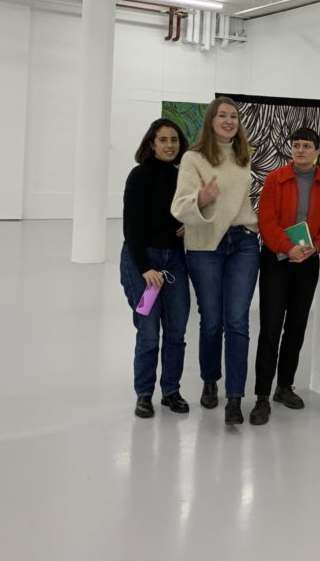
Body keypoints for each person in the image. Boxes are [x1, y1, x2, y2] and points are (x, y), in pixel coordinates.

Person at [172, 96, 260, 425]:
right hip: (205, 244)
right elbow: (180, 207)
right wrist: (202, 198)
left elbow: (244, 201)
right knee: (211, 320)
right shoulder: (194, 158)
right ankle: (211, 379)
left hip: (243, 242)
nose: (228, 121)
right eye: (222, 115)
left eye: (233, 116)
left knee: (237, 320)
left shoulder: (243, 156)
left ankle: (235, 397)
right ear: (210, 121)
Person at [250, 127, 320, 426]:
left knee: (297, 326)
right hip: (276, 259)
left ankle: (284, 386)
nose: (300, 150)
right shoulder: (275, 179)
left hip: (308, 261)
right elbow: (267, 220)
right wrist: (288, 248)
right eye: (296, 145)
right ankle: (262, 394)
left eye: (306, 145)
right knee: (271, 326)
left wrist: (317, 248)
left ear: (317, 151)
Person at [120, 118, 191, 419]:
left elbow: (190, 210)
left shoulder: (183, 177)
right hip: (143, 263)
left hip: (174, 261)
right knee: (149, 332)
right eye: (163, 140)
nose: (169, 145)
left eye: (174, 139)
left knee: (176, 330)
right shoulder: (139, 176)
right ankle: (144, 394)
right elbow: (131, 227)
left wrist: (190, 223)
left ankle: (171, 391)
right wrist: (145, 267)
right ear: (152, 143)